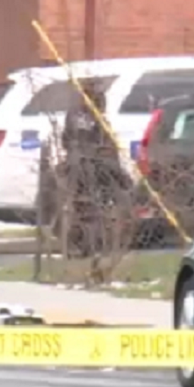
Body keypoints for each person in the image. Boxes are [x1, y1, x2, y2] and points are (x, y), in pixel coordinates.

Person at [59, 79, 130, 257]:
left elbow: (107, 148)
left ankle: (92, 242)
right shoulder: (81, 118)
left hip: (95, 170)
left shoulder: (94, 119)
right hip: (86, 169)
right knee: (86, 208)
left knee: (95, 207)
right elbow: (72, 142)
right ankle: (84, 243)